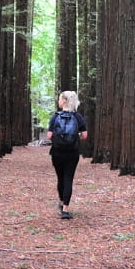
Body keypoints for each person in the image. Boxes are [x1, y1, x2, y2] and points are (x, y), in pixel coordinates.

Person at [47, 90, 88, 219]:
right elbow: (85, 135)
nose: (59, 101)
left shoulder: (55, 116)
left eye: (60, 98)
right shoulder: (78, 117)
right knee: (68, 178)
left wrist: (58, 138)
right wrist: (75, 137)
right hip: (72, 153)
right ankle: (65, 209)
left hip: (57, 152)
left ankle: (61, 201)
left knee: (60, 178)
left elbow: (49, 135)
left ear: (64, 100)